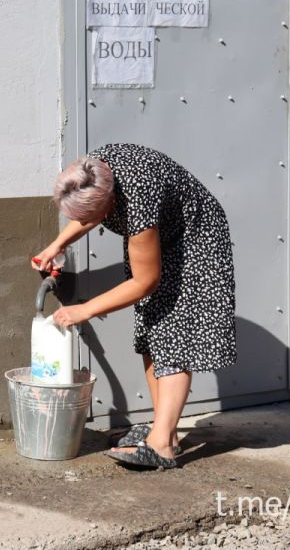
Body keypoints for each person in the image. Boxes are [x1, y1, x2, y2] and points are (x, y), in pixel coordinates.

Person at [32, 143, 237, 469]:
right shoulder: (92, 173)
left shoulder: (138, 195)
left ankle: (162, 446)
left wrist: (85, 310)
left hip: (195, 238)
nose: (84, 222)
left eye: (90, 217)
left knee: (173, 333)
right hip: (163, 232)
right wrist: (57, 244)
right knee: (151, 328)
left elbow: (145, 283)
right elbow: (90, 212)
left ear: (110, 204)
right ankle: (163, 432)